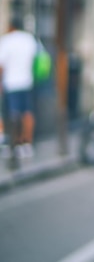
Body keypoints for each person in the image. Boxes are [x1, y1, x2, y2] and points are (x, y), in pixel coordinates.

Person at [0, 17, 38, 168]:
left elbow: (1, 65)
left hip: (11, 83)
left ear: (11, 26)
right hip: (27, 81)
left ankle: (13, 145)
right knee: (27, 113)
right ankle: (26, 144)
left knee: (13, 114)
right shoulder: (29, 40)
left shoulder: (7, 40)